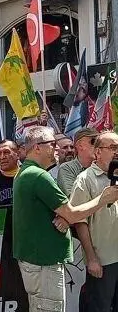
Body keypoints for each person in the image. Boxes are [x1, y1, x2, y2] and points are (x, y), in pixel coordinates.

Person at [13, 126, 118, 312]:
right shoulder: (38, 176)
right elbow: (72, 214)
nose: (57, 149)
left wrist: (64, 216)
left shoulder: (27, 173)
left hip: (41, 260)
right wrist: (102, 199)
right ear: (37, 147)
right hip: (44, 261)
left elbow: (62, 214)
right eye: (52, 144)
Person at [71, 132, 118, 312]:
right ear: (97, 152)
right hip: (104, 260)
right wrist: (91, 258)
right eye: (113, 148)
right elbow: (80, 222)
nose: (117, 152)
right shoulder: (85, 179)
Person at [57, 127, 98, 197]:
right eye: (93, 142)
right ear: (79, 146)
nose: (98, 146)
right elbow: (73, 198)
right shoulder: (67, 168)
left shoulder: (104, 166)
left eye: (99, 142)